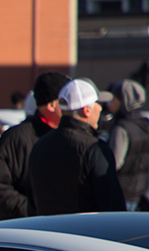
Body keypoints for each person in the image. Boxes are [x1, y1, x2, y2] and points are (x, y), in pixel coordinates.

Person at [28, 79, 126, 216]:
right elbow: (114, 209)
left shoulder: (39, 146)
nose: (100, 108)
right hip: (85, 233)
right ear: (86, 110)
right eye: (98, 104)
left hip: (47, 233)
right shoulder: (95, 149)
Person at [0, 72, 70, 219]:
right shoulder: (17, 138)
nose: (73, 106)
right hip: (29, 233)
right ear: (52, 105)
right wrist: (33, 213)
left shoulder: (73, 137)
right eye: (67, 101)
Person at [103, 79, 149, 211]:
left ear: (124, 101)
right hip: (139, 189)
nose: (109, 104)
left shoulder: (121, 128)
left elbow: (115, 162)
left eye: (113, 99)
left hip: (122, 190)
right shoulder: (143, 124)